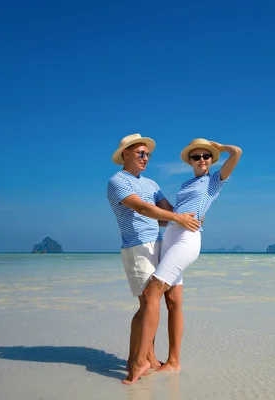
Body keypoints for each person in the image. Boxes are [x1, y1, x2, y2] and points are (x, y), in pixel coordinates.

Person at [123, 138, 242, 384]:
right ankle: (173, 361)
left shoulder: (213, 182)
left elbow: (237, 153)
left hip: (187, 238)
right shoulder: (187, 183)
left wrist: (218, 147)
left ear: (211, 160)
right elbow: (175, 213)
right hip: (171, 236)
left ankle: (141, 360)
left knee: (152, 292)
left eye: (205, 157)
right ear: (189, 161)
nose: (201, 160)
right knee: (172, 300)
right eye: (196, 157)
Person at [107, 133, 201, 373]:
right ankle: (141, 358)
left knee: (155, 303)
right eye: (140, 153)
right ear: (126, 154)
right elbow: (142, 208)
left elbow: (167, 212)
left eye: (147, 154)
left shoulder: (152, 184)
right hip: (137, 247)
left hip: (159, 245)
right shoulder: (118, 181)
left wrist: (193, 212)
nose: (145, 157)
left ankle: (144, 358)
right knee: (147, 303)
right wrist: (177, 217)